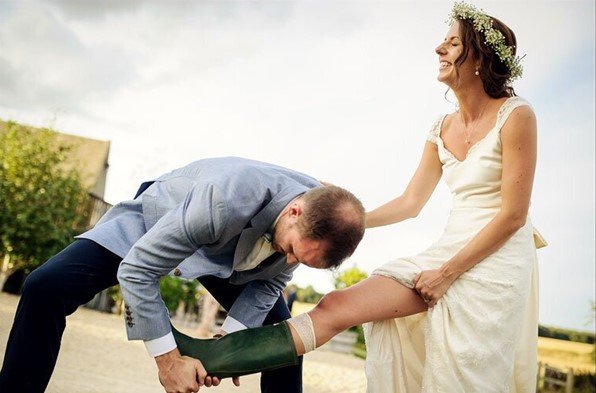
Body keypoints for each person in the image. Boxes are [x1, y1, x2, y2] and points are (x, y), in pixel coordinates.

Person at [172, 3, 540, 391]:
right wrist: (348, 213)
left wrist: (447, 274)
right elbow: (410, 203)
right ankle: (217, 354)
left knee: (462, 371)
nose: (438, 49)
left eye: (452, 43)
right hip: (447, 250)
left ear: (479, 57)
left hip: (496, 261)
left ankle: (221, 355)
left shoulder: (516, 116)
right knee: (337, 305)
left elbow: (513, 216)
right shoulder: (440, 128)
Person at [0, 156, 366, 393]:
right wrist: (169, 362)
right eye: (290, 250)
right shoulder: (224, 199)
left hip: (231, 255)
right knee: (44, 287)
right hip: (159, 222)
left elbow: (269, 281)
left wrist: (229, 350)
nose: (289, 261)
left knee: (284, 341)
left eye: (299, 260)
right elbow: (139, 270)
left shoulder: (316, 220)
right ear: (295, 212)